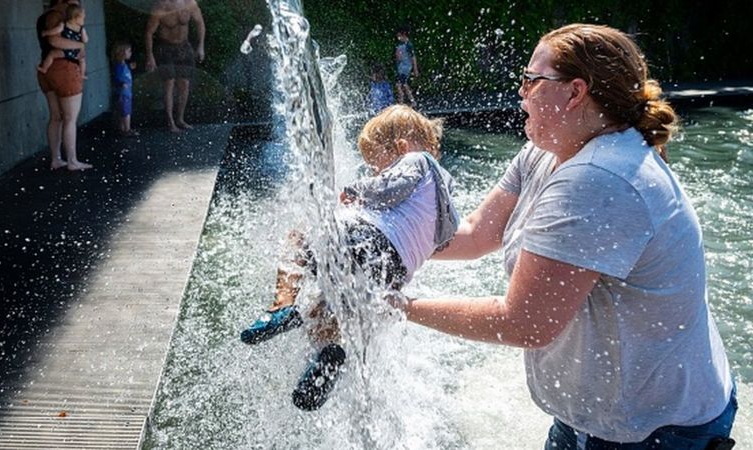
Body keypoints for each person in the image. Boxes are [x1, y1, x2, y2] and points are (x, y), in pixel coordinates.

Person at [393, 24, 738, 449]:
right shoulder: (545, 150)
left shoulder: (601, 179)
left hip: (658, 434)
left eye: (531, 80)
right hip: (594, 420)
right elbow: (472, 234)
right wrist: (380, 241)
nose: (521, 92)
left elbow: (523, 321)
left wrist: (396, 305)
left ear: (575, 92)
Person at [240, 105, 460, 411]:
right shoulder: (446, 200)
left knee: (301, 234)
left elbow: (392, 187)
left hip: (366, 244)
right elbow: (443, 239)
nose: (374, 172)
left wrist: (356, 190)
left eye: (376, 165)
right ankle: (330, 353)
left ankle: (282, 306)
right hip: (389, 275)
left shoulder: (415, 160)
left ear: (401, 147)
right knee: (326, 309)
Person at [36, 0, 92, 171]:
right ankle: (72, 161)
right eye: (73, 3)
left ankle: (56, 159)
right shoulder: (57, 16)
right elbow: (55, 41)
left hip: (48, 70)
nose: (74, 6)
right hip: (64, 68)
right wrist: (80, 44)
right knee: (69, 118)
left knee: (56, 117)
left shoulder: (44, 16)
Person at [144, 0, 206, 133]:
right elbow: (149, 32)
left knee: (184, 84)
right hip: (165, 48)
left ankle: (180, 119)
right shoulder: (161, 6)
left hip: (184, 47)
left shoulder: (190, 4)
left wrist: (201, 47)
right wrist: (150, 56)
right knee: (169, 83)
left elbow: (200, 23)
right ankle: (170, 122)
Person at [37, 4, 89, 80]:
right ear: (75, 18)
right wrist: (83, 41)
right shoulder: (81, 29)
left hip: (65, 51)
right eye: (83, 18)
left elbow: (56, 31)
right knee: (82, 60)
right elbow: (85, 40)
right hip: (76, 52)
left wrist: (46, 33)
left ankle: (44, 68)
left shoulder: (64, 24)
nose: (84, 20)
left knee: (52, 54)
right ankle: (82, 74)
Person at [111, 42, 137, 136]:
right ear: (122, 53)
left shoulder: (123, 65)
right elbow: (117, 77)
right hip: (123, 92)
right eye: (128, 51)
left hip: (126, 92)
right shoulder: (119, 66)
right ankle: (127, 129)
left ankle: (122, 128)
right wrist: (121, 84)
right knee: (126, 111)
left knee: (123, 111)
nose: (130, 53)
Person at [394, 25, 418, 106]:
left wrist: (415, 69)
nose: (398, 37)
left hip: (405, 68)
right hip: (401, 68)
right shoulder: (400, 44)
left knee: (399, 84)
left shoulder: (408, 44)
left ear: (403, 34)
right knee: (404, 84)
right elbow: (398, 57)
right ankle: (411, 101)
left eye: (399, 35)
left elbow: (413, 57)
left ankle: (401, 101)